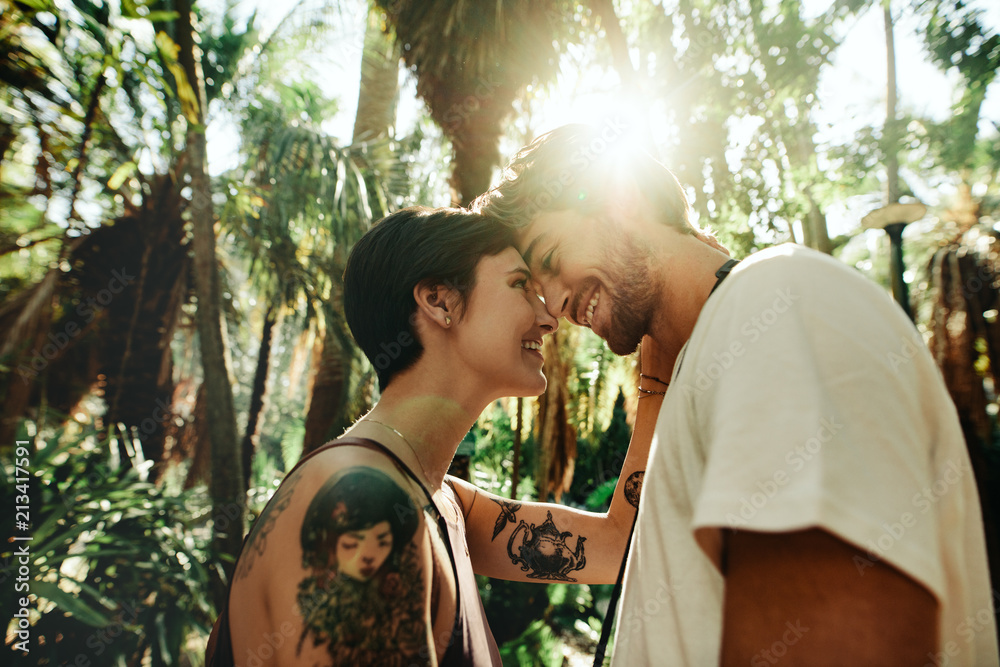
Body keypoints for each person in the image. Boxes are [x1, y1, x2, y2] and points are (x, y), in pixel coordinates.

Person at [473, 123, 1000, 666]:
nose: (555, 304)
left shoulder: (775, 305)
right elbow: (618, 545)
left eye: (552, 259)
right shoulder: (719, 350)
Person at [205, 206, 655, 666]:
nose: (548, 319)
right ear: (439, 302)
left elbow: (619, 545)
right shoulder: (364, 504)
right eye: (520, 285)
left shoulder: (442, 502)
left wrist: (659, 348)